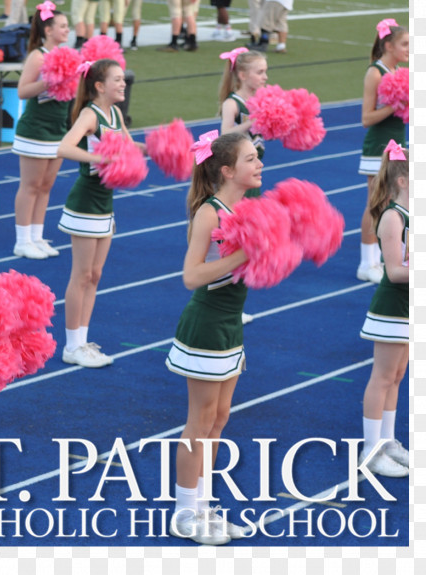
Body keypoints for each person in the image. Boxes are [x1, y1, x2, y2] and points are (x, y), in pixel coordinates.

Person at [165, 132, 259, 545]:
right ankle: (184, 512)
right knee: (199, 422)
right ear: (227, 170)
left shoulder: (247, 208)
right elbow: (191, 276)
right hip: (205, 328)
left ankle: (202, 505)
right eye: (251, 159)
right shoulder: (210, 212)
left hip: (230, 326)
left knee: (219, 421)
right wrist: (246, 254)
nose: (259, 164)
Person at [57, 59, 136, 368]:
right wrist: (99, 158)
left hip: (106, 204)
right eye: (117, 79)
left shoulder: (115, 113)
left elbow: (129, 147)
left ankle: (83, 340)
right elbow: (64, 148)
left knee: (95, 275)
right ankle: (71, 345)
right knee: (82, 275)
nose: (123, 84)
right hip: (86, 202)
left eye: (123, 79)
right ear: (100, 86)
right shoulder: (90, 114)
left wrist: (163, 148)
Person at [358, 141, 409, 478]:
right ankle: (370, 449)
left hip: (408, 310)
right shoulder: (393, 216)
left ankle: (387, 441)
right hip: (391, 310)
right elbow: (394, 271)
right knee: (382, 377)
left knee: (397, 376)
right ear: (403, 180)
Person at [12, 3, 71, 260]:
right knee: (31, 185)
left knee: (46, 186)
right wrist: (48, 81)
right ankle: (21, 240)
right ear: (48, 30)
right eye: (63, 26)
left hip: (58, 128)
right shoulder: (38, 56)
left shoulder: (66, 55)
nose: (67, 30)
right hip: (35, 129)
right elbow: (22, 91)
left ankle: (36, 237)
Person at [356, 20, 408, 284]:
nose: (410, 49)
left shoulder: (400, 71)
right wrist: (397, 104)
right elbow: (366, 118)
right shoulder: (375, 72)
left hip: (398, 144)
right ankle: (367, 263)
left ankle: (386, 256)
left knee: (394, 203)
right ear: (388, 45)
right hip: (378, 146)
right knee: (376, 204)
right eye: (405, 44)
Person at [218, 48, 267, 198]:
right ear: (243, 75)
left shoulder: (260, 99)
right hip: (238, 177)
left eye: (265, 72)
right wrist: (252, 122)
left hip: (254, 172)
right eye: (260, 72)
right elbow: (224, 134)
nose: (265, 77)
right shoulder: (232, 103)